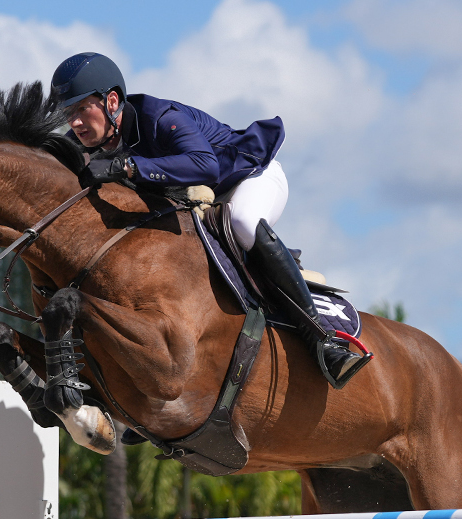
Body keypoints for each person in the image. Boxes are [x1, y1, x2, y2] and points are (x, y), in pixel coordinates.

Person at [49, 52, 368, 388]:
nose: (75, 123)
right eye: (69, 114)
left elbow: (206, 167)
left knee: (243, 222)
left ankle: (322, 340)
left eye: (82, 109)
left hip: (246, 180)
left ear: (111, 101)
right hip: (198, 205)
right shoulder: (81, 145)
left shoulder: (159, 118)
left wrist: (127, 166)